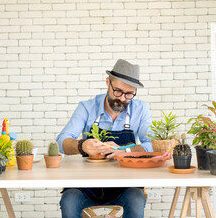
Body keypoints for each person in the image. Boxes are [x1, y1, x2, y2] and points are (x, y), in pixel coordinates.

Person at [56, 59, 153, 218]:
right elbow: (61, 141)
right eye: (118, 91)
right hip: (86, 185)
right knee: (68, 200)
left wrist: (125, 150)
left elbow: (152, 144)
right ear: (108, 82)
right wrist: (83, 146)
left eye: (129, 94)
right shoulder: (87, 107)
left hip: (125, 185)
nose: (122, 98)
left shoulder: (141, 109)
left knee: (137, 199)